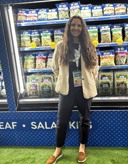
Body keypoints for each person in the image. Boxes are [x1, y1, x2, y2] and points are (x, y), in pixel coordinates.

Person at [46, 15, 99, 164]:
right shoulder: (61, 46)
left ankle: (82, 147)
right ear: (68, 28)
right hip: (66, 90)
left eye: (79, 25)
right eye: (73, 25)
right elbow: (55, 68)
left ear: (83, 29)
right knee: (62, 120)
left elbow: (95, 67)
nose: (76, 28)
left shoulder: (89, 45)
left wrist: (88, 80)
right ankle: (58, 150)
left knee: (85, 119)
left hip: (85, 89)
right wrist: (64, 78)